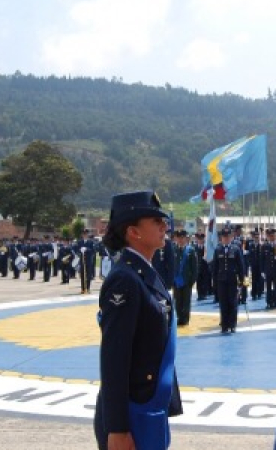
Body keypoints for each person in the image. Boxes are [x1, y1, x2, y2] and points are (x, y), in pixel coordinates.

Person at [94, 190, 182, 450]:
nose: (164, 226)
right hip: (132, 413)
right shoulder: (125, 280)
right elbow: (114, 358)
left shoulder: (145, 274)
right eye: (156, 221)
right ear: (134, 232)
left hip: (149, 405)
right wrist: (117, 429)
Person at [212, 228, 245, 333]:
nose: (226, 239)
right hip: (221, 280)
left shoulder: (236, 249)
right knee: (223, 303)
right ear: (221, 238)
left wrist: (242, 280)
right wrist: (214, 281)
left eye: (228, 237)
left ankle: (232, 324)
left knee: (233, 302)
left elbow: (241, 266)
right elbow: (214, 267)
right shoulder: (218, 250)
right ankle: (224, 325)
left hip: (232, 280)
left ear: (231, 237)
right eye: (224, 237)